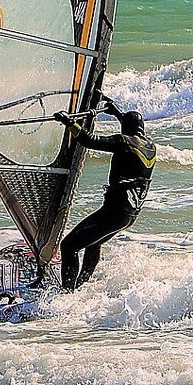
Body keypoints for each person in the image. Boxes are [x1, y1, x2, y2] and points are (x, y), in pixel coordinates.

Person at [52, 97, 156, 291]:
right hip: (129, 215)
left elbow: (88, 140)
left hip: (114, 214)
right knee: (94, 243)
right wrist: (116, 113)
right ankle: (80, 284)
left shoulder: (122, 141)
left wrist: (69, 122)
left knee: (69, 246)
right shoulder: (150, 146)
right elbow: (131, 129)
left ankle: (66, 293)